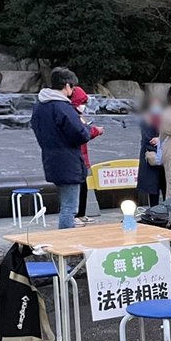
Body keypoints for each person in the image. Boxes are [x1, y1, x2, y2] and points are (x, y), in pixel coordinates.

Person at [30, 67, 103, 230]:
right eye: (72, 87)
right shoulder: (62, 107)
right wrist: (89, 130)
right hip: (68, 162)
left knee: (66, 205)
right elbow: (80, 133)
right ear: (67, 86)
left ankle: (65, 238)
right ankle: (66, 240)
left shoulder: (40, 106)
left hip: (51, 159)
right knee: (69, 208)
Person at [68, 86, 94, 224]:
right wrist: (95, 131)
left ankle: (82, 213)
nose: (83, 105)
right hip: (75, 158)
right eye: (82, 102)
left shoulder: (78, 115)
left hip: (83, 158)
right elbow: (82, 134)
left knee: (84, 187)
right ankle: (74, 216)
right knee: (75, 189)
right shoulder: (71, 115)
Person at [136, 96, 166, 207]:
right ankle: (154, 212)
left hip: (165, 158)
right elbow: (149, 140)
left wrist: (161, 139)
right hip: (152, 158)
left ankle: (166, 212)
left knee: (166, 188)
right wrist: (162, 140)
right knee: (153, 190)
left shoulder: (166, 118)